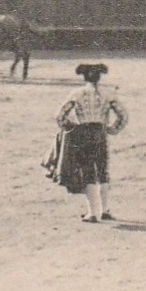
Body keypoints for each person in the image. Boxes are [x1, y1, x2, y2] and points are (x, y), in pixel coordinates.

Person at [47, 63, 128, 223]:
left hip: (84, 133)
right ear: (99, 77)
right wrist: (112, 129)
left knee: (88, 170)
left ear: (84, 77)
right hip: (101, 132)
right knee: (103, 169)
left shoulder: (77, 93)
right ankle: (104, 210)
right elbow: (123, 115)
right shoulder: (108, 93)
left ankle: (93, 213)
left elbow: (60, 116)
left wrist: (70, 129)